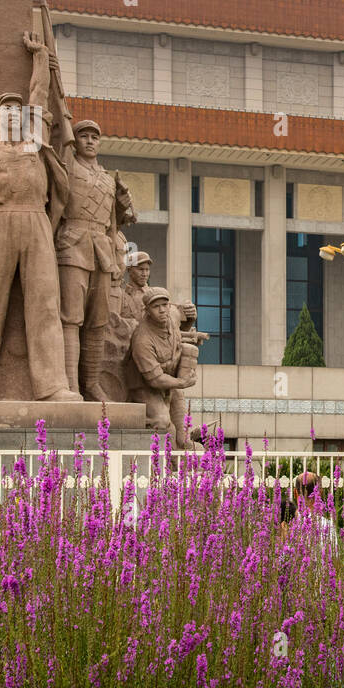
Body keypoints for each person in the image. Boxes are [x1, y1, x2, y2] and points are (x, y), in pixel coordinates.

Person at [0, 88, 80, 401]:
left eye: (17, 110)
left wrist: (48, 229)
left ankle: (52, 386)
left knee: (45, 305)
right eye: (5, 109)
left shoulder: (39, 150)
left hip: (36, 220)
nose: (12, 114)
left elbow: (60, 192)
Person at [55, 118, 134, 400]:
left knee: (98, 321)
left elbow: (116, 223)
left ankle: (90, 383)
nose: (89, 141)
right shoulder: (66, 167)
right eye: (84, 136)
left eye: (94, 137)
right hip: (72, 245)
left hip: (101, 249)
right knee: (71, 319)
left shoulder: (107, 178)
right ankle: (70, 385)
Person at [129, 286, 199, 444]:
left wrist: (191, 317)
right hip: (144, 386)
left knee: (179, 407)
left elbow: (182, 322)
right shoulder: (142, 339)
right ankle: (167, 456)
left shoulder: (172, 315)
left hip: (168, 379)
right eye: (156, 306)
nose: (162, 310)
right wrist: (182, 382)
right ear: (147, 310)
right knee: (161, 420)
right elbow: (155, 379)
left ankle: (183, 441)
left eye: (164, 305)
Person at [292, 472, 338, 553]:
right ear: (319, 493)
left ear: (295, 492)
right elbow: (334, 558)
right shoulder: (327, 526)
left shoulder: (287, 524)